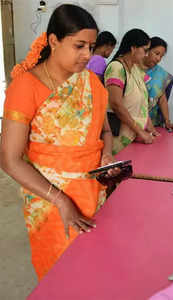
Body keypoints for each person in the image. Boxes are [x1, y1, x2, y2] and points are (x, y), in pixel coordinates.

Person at [0, 4, 119, 280]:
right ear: (54, 41)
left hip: (93, 195)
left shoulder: (92, 84)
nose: (88, 55)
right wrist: (62, 201)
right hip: (49, 202)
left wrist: (108, 156)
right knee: (60, 276)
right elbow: (9, 159)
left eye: (91, 46)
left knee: (92, 272)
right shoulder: (25, 86)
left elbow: (106, 134)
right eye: (79, 46)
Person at [105, 29, 159, 154]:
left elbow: (142, 102)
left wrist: (149, 127)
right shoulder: (116, 68)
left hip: (135, 135)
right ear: (133, 48)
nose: (146, 55)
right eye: (145, 50)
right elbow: (116, 105)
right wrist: (140, 131)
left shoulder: (135, 68)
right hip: (120, 136)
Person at [141, 36, 173, 131]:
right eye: (156, 54)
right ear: (147, 50)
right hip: (133, 122)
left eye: (161, 56)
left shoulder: (161, 74)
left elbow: (162, 99)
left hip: (153, 124)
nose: (158, 59)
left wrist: (167, 121)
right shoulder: (133, 69)